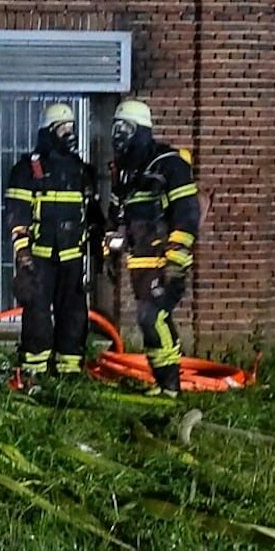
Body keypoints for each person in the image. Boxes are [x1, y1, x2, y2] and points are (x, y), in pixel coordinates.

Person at [107, 98, 199, 397]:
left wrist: (176, 257)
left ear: (141, 130)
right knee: (150, 320)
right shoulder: (125, 173)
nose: (119, 133)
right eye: (116, 127)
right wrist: (110, 252)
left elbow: (187, 213)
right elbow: (116, 217)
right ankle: (164, 383)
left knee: (153, 316)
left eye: (126, 127)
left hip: (165, 259)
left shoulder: (169, 164)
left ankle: (170, 385)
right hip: (140, 261)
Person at [4, 102, 93, 384]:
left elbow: (92, 213)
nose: (69, 133)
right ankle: (35, 367)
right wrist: (23, 254)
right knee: (38, 311)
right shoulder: (27, 169)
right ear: (49, 131)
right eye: (62, 128)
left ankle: (69, 366)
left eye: (72, 127)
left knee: (74, 310)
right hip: (39, 257)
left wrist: (102, 247)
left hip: (72, 256)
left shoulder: (80, 170)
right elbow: (17, 213)